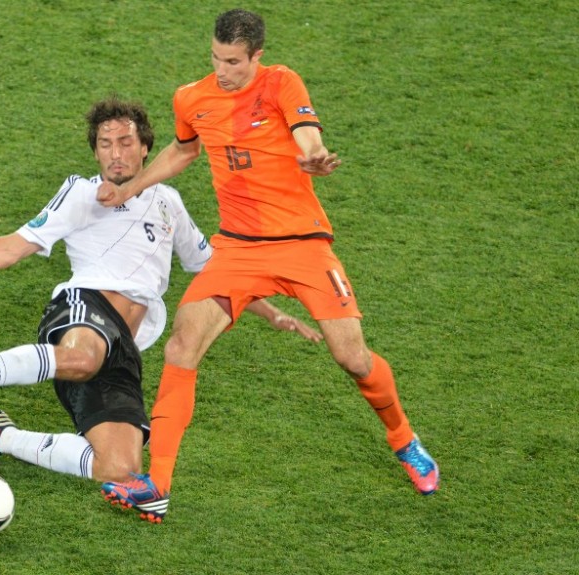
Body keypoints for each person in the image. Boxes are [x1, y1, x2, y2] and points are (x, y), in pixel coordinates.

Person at [97, 10, 439, 522]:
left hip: (303, 245)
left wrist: (315, 155)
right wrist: (128, 187)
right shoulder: (192, 98)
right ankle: (157, 484)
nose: (222, 69)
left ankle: (403, 438)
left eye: (233, 61)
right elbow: (182, 150)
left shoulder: (281, 82)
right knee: (182, 344)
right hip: (237, 248)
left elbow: (308, 133)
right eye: (215, 57)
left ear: (256, 55)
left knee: (353, 359)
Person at [0, 96, 322, 485]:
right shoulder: (82, 193)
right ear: (95, 153)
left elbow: (214, 268)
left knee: (120, 469)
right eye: (105, 145)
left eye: (125, 142)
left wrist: (270, 312)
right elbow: (13, 246)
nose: (116, 153)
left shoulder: (168, 201)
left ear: (147, 147)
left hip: (124, 347)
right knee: (84, 357)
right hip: (83, 309)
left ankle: (0, 436)